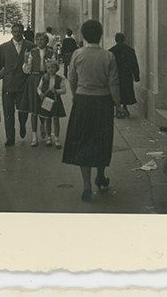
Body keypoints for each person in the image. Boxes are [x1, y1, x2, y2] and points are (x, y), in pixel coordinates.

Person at [62, 19, 124, 202]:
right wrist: (118, 105)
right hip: (103, 103)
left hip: (83, 101)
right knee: (101, 139)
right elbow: (113, 83)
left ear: (84, 35)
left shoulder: (77, 54)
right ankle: (101, 176)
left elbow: (72, 78)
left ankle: (87, 185)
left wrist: (75, 95)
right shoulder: (108, 56)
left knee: (84, 140)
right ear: (100, 35)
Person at [0, 22, 34, 146]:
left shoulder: (30, 46)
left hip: (23, 83)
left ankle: (22, 125)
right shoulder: (4, 47)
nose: (17, 34)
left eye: (19, 31)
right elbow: (1, 63)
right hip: (9, 83)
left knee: (23, 110)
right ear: (11, 32)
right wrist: (5, 72)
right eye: (15, 31)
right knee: (8, 112)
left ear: (22, 32)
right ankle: (10, 137)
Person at [18, 32, 55, 146]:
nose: (39, 41)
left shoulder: (51, 52)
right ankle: (34, 136)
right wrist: (25, 61)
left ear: (46, 41)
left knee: (46, 106)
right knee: (34, 108)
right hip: (34, 79)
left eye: (42, 39)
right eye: (37, 39)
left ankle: (44, 128)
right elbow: (26, 69)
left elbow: (55, 65)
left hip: (46, 78)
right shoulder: (32, 52)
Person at [109, 33, 140, 117]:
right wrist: (136, 76)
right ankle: (125, 107)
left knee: (117, 91)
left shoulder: (111, 50)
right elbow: (134, 64)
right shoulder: (129, 50)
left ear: (116, 40)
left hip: (116, 74)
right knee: (126, 90)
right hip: (126, 74)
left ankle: (118, 110)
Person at [37, 60, 67, 149]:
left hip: (56, 101)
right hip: (46, 100)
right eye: (48, 68)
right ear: (46, 69)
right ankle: (49, 138)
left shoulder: (60, 79)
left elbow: (64, 90)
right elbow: (39, 88)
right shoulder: (44, 78)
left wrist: (57, 91)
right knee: (48, 119)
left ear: (56, 68)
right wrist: (40, 93)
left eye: (52, 67)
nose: (50, 69)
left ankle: (57, 139)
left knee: (56, 119)